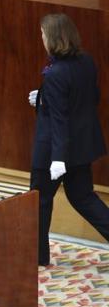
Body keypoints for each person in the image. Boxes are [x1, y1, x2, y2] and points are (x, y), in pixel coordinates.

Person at [28, 13, 109, 266]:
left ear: (52, 38)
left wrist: (58, 159)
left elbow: (60, 119)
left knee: (39, 203)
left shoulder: (55, 73)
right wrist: (43, 99)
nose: (41, 38)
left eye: (42, 34)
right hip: (80, 147)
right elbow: (87, 99)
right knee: (84, 198)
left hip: (54, 152)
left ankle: (38, 258)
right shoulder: (86, 61)